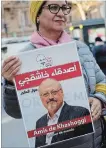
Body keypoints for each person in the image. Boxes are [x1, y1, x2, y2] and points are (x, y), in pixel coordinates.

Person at [2, 1, 106, 148]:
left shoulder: (80, 48)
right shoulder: (23, 58)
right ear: (37, 15)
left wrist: (99, 99)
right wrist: (10, 83)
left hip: (97, 140)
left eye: (65, 8)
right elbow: (16, 112)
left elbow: (102, 81)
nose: (62, 13)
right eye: (53, 7)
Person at [35, 78, 93, 148]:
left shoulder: (80, 113)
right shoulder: (39, 122)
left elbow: (86, 144)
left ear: (62, 92)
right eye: (45, 94)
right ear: (41, 98)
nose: (50, 97)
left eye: (54, 92)